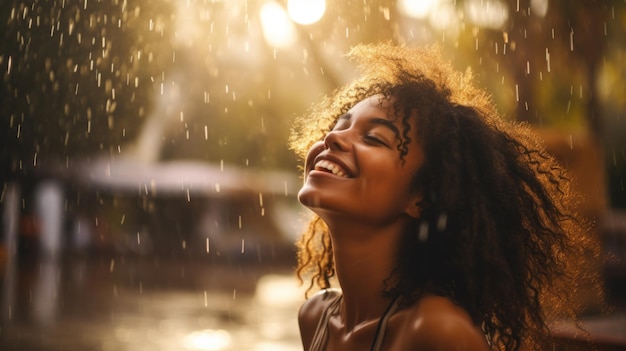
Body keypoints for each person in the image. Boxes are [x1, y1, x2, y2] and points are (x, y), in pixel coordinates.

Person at [289, 43, 601, 351]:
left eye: (373, 138)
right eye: (338, 126)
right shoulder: (316, 316)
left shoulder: (437, 330)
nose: (331, 137)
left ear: (422, 196)